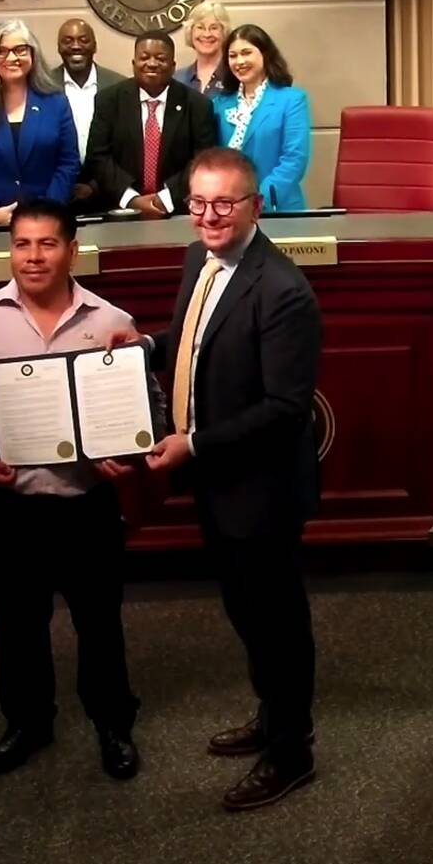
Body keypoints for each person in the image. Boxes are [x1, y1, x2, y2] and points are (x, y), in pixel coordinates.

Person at [108, 147, 323, 811]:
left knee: (277, 622)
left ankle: (293, 753)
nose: (208, 216)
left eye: (223, 204)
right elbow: (195, 335)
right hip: (216, 483)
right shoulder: (199, 258)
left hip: (260, 488)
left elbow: (285, 411)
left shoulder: (284, 292)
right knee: (246, 613)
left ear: (256, 206)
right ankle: (273, 718)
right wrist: (144, 345)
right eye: (198, 203)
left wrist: (191, 444)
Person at [0, 199, 145, 778]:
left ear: (72, 250)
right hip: (8, 504)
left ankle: (112, 723)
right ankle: (28, 722)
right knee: (16, 623)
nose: (32, 257)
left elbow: (135, 407)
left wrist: (122, 453)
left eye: (47, 244)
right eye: (22, 244)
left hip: (85, 503)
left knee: (99, 622)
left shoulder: (111, 322)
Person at [0, 19, 81, 226]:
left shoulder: (56, 101)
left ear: (32, 54)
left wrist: (46, 210)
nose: (12, 57)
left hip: (47, 222)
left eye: (20, 49)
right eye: (2, 51)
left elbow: (68, 163)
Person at [85, 29, 219, 218]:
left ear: (172, 66)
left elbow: (202, 159)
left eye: (160, 58)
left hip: (179, 210)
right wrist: (131, 199)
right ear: (134, 64)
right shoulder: (108, 100)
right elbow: (98, 156)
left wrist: (164, 199)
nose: (152, 64)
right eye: (144, 57)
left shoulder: (198, 105)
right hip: (119, 210)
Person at [212, 24, 311, 212]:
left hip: (278, 207)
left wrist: (257, 200)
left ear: (265, 54)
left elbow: (294, 159)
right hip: (229, 210)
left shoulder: (292, 100)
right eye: (233, 56)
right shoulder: (218, 104)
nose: (239, 61)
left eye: (246, 53)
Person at [43, 17, 126, 169]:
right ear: (58, 47)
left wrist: (95, 184)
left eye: (83, 40)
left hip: (107, 184)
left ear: (95, 46)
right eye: (67, 41)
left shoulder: (118, 85)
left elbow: (126, 144)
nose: (76, 46)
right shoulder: (43, 86)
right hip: (58, 182)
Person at [174, 1, 232, 98]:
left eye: (214, 28)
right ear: (190, 32)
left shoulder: (235, 76)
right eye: (200, 27)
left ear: (224, 32)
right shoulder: (177, 78)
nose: (206, 34)